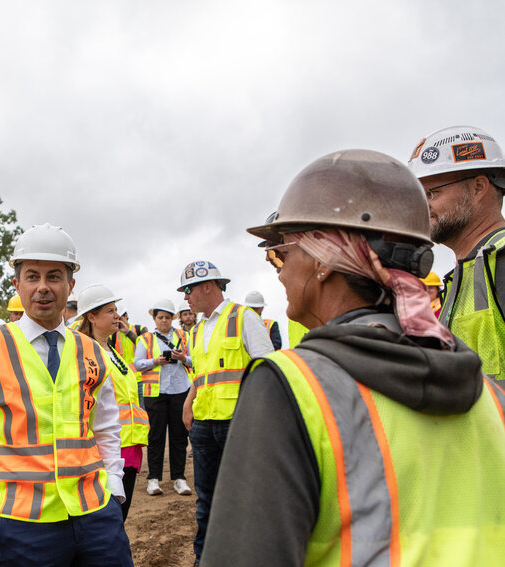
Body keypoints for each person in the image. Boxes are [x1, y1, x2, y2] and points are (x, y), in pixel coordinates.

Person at [202, 149, 505, 566]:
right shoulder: (491, 397)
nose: (280, 271)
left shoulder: (291, 389)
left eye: (281, 253)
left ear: (325, 261)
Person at [0, 223, 132, 566]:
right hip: (18, 528)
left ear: (70, 285)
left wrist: (114, 488)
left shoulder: (92, 351)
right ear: (17, 284)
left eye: (54, 276)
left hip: (97, 518)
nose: (43, 287)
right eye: (32, 276)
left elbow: (106, 429)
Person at [177, 262, 273, 565]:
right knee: (206, 499)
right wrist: (188, 402)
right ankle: (204, 558)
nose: (186, 299)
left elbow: (268, 368)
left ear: (208, 286)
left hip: (239, 423)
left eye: (188, 290)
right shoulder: (198, 329)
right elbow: (203, 374)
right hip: (204, 425)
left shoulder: (244, 317)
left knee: (245, 497)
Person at [408, 126, 505, 379]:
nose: (422, 206)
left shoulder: (501, 260)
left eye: (431, 193)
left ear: (478, 187)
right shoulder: (467, 273)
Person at [77, 284, 149, 521]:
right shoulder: (84, 352)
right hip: (106, 448)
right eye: (110, 311)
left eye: (116, 309)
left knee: (119, 516)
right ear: (91, 317)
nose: (117, 315)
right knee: (107, 518)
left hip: (129, 443)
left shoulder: (113, 351)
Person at [134, 298, 193, 497]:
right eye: (161, 317)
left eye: (168, 317)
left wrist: (182, 358)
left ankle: (179, 478)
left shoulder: (184, 336)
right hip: (155, 394)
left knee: (179, 436)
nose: (164, 321)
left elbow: (196, 360)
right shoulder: (146, 339)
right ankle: (153, 479)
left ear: (173, 318)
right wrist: (155, 361)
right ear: (155, 318)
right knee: (156, 436)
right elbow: (138, 364)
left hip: (179, 390)